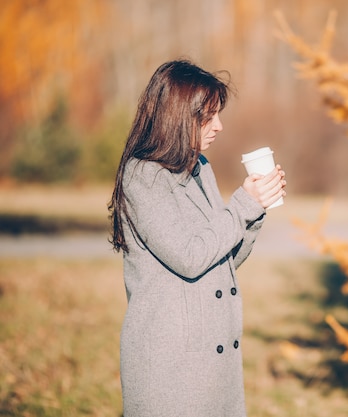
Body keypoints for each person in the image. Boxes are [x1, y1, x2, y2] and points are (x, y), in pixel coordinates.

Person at [108, 59, 286, 417]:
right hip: (171, 366)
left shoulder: (199, 167)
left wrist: (257, 210)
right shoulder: (143, 176)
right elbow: (190, 256)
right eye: (208, 116)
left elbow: (222, 259)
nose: (219, 126)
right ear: (177, 115)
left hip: (214, 364)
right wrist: (243, 205)